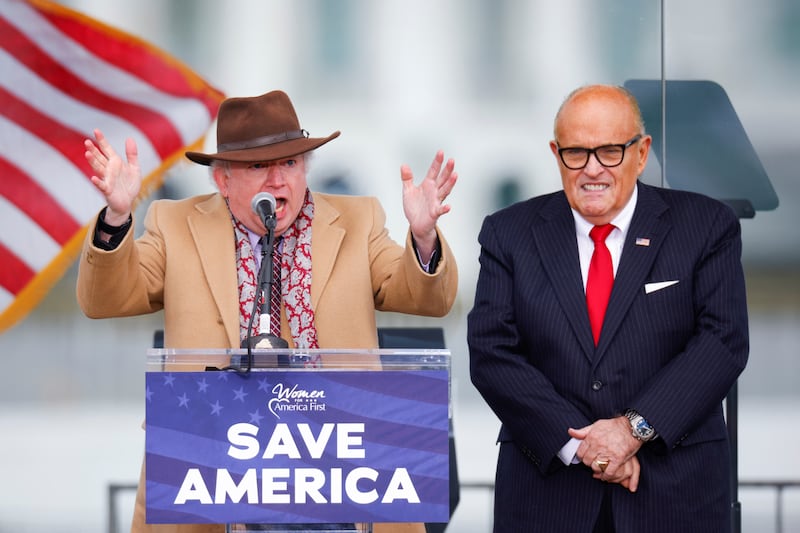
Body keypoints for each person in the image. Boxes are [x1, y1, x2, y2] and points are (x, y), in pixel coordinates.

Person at [77, 90, 459, 533]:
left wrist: (425, 237)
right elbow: (105, 299)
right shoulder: (175, 224)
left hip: (342, 477)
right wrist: (116, 218)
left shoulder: (359, 220)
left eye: (290, 164)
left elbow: (427, 298)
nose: (279, 180)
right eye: (259, 166)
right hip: (216, 479)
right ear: (222, 180)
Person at [467, 84, 748, 532]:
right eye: (576, 153)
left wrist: (631, 429)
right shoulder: (508, 233)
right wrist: (585, 446)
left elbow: (722, 343)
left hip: (674, 493)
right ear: (556, 154)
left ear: (641, 153)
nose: (592, 169)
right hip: (548, 496)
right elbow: (492, 353)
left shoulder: (705, 225)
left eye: (610, 152)